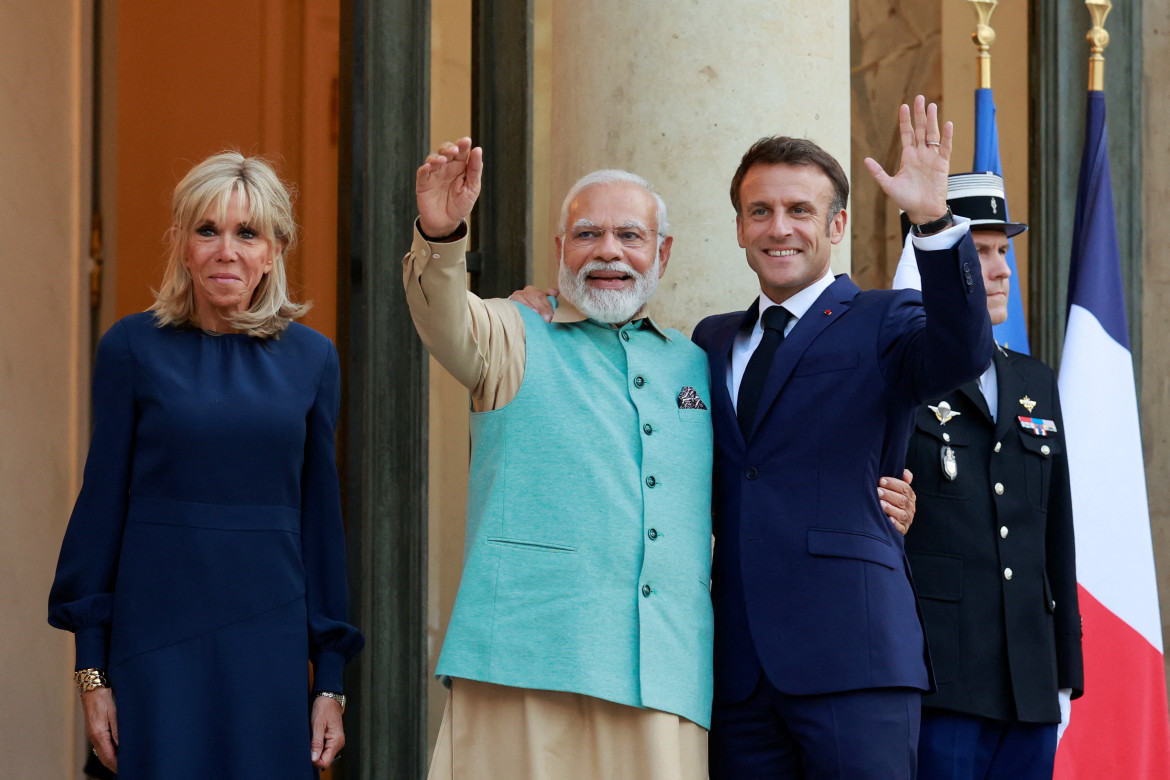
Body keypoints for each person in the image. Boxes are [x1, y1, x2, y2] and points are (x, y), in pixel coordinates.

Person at [411, 139, 918, 779]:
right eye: (587, 234)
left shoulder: (695, 357)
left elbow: (762, 467)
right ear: (560, 247)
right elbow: (443, 317)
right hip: (526, 661)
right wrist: (440, 233)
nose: (608, 251)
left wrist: (874, 501)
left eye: (630, 234)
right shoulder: (512, 332)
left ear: (663, 252)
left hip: (664, 675)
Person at [690, 96, 994, 778]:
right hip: (738, 672)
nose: (780, 228)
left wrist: (933, 223)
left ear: (839, 224)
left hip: (854, 656)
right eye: (760, 211)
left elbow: (963, 350)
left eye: (800, 211)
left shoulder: (886, 319)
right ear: (739, 227)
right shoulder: (709, 340)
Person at [48, 151, 364, 778]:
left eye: (248, 233)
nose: (227, 250)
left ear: (274, 250)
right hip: (157, 645)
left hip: (267, 645)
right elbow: (100, 508)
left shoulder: (313, 359)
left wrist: (329, 681)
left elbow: (322, 525)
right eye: (208, 230)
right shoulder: (130, 349)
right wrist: (93, 674)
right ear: (181, 245)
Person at [893, 172, 1083, 779]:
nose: (1001, 270)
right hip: (936, 682)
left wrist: (1065, 672)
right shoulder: (898, 372)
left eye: (1004, 251)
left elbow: (1056, 533)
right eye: (978, 252)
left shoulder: (1035, 380)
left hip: (1029, 686)